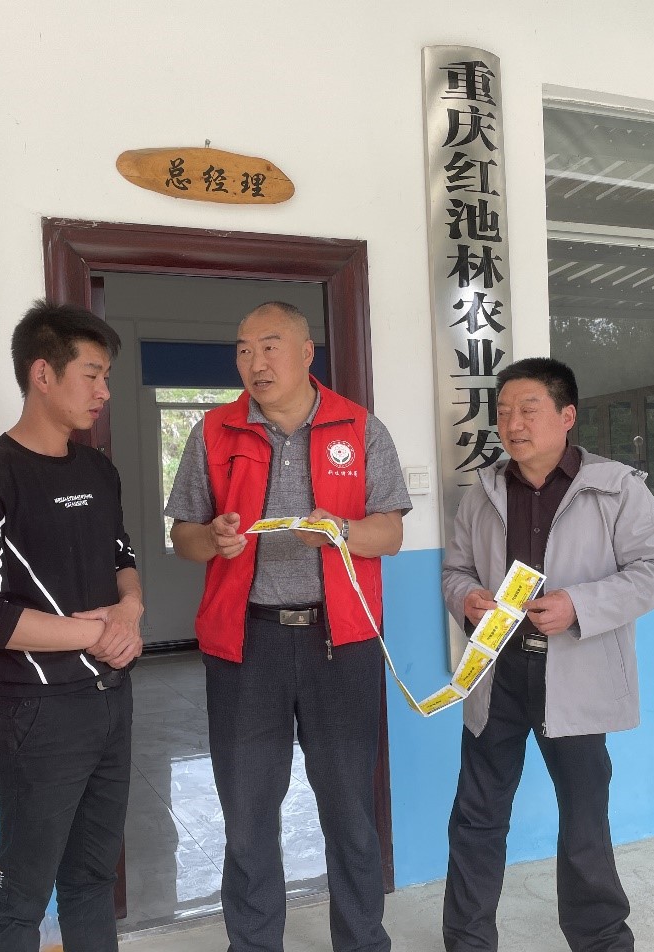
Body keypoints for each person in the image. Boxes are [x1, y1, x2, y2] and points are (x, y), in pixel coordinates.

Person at [165, 301, 411, 952]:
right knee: (247, 813)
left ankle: (361, 941)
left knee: (349, 809)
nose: (255, 362)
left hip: (341, 644)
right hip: (246, 644)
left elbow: (390, 532)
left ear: (306, 353)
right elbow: (183, 535)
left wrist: (342, 531)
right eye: (244, 349)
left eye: (270, 346)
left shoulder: (359, 428)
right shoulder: (214, 432)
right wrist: (211, 539)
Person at [441, 357, 654, 952]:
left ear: (567, 416)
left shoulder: (616, 488)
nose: (512, 424)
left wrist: (580, 604)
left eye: (529, 410)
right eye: (503, 412)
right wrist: (466, 598)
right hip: (498, 672)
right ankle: (467, 940)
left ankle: (601, 940)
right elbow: (455, 571)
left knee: (583, 818)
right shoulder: (483, 491)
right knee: (477, 814)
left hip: (574, 672)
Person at [0, 301, 143, 952]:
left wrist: (130, 610)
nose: (103, 391)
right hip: (37, 713)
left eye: (106, 376)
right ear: (42, 374)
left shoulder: (98, 470)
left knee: (93, 878)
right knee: (20, 894)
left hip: (112, 702)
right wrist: (95, 635)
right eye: (91, 375)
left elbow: (122, 557)